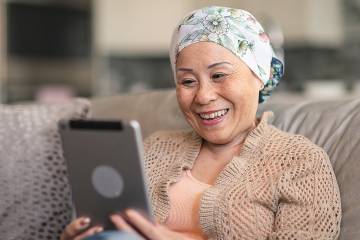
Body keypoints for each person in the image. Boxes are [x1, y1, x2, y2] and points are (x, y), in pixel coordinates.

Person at [61, 6, 341, 240]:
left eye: (219, 75)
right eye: (187, 81)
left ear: (262, 75)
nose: (204, 96)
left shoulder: (301, 162)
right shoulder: (154, 147)